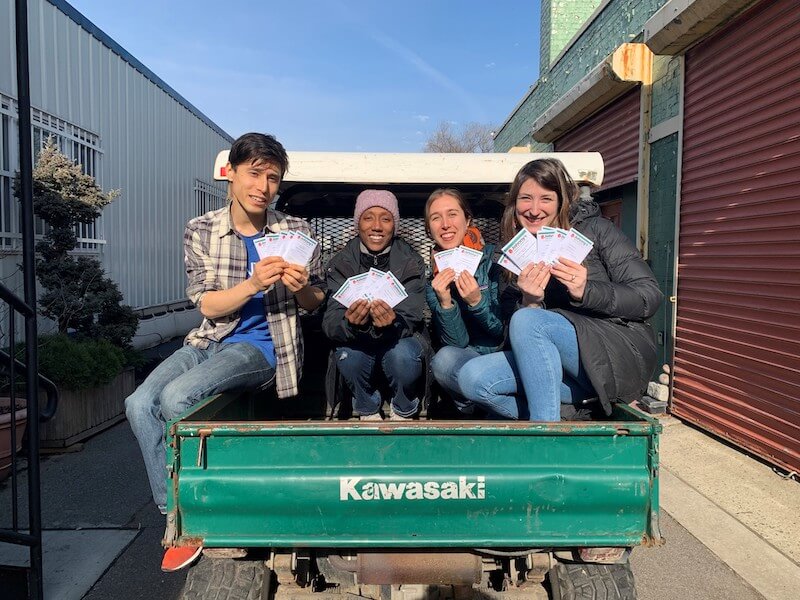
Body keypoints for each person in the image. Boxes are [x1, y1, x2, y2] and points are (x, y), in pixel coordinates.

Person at [125, 133, 325, 513]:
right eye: (254, 174)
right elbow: (208, 305)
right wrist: (253, 283)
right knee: (138, 403)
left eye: (273, 178)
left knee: (177, 397)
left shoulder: (295, 230)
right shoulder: (201, 229)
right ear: (230, 173)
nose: (263, 187)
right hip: (208, 339)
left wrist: (301, 289)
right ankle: (173, 508)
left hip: (265, 348)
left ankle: (199, 508)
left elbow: (315, 301)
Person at [457, 158, 663, 421]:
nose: (533, 209)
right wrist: (530, 300)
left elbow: (649, 296)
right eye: (525, 198)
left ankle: (545, 436)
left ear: (561, 200)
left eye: (545, 199)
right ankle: (574, 409)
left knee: (530, 321)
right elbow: (513, 334)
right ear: (514, 204)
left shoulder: (597, 231)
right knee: (473, 378)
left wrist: (586, 290)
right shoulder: (509, 254)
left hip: (616, 350)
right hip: (558, 368)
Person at [322, 190, 427, 421]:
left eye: (386, 218)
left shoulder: (412, 262)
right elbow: (330, 322)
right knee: (348, 355)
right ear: (358, 223)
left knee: (402, 355)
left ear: (394, 225)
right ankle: (366, 406)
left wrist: (392, 323)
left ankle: (403, 406)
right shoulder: (340, 263)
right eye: (368, 217)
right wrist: (351, 324)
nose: (377, 226)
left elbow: (413, 314)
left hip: (399, 341)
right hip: (357, 344)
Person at [424, 188, 504, 413]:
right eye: (436, 218)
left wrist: (477, 302)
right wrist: (446, 302)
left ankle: (489, 407)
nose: (445, 224)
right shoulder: (433, 278)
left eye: (452, 214)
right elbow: (457, 343)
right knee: (443, 359)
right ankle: (476, 407)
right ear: (429, 229)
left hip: (500, 355)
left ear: (467, 219)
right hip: (466, 361)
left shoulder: (493, 260)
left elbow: (502, 331)